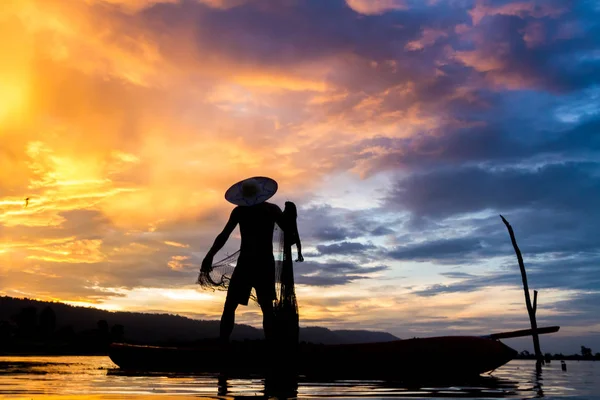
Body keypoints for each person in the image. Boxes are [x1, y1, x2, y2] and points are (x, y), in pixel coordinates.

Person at [201, 177, 302, 346]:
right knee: (265, 309)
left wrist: (210, 255)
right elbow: (289, 232)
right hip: (262, 264)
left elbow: (224, 235)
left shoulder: (241, 211)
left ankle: (223, 345)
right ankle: (270, 348)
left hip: (247, 264)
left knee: (232, 306)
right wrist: (291, 213)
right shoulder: (270, 210)